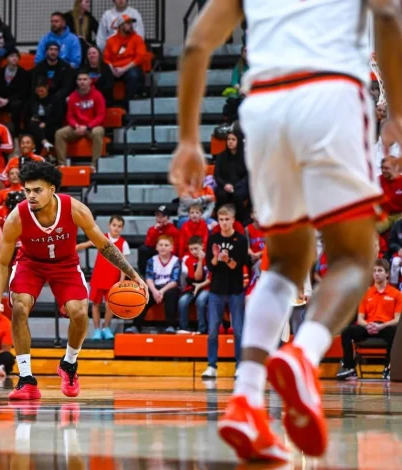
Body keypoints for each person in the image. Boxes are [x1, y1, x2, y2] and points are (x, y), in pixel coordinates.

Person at [170, 0, 402, 460]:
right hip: (331, 94)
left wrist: (188, 140)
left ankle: (246, 399)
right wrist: (396, 114)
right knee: (354, 259)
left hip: (265, 108)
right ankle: (303, 353)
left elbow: (196, 44)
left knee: (284, 264)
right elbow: (390, 17)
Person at [0, 161, 144, 400]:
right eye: (27, 191)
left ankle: (69, 364)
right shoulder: (16, 217)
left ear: (52, 190)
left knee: (80, 312)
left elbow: (104, 245)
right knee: (18, 306)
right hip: (31, 264)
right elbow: (1, 263)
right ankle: (26, 379)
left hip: (65, 264)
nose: (31, 196)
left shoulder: (75, 209)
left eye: (37, 190)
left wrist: (133, 275)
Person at [202, 205, 248, 378]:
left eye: (227, 219)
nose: (224, 223)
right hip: (216, 290)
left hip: (236, 289)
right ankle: (212, 365)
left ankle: (240, 366)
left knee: (238, 330)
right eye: (221, 220)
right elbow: (209, 266)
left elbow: (239, 265)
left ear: (233, 220)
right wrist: (215, 257)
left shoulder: (241, 240)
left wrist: (227, 259)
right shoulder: (213, 239)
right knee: (213, 330)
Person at [337, 259, 399, 381]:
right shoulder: (366, 294)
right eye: (374, 271)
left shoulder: (396, 294)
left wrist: (381, 326)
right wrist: (368, 325)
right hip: (368, 326)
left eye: (380, 271)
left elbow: (397, 319)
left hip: (385, 326)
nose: (376, 273)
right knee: (347, 332)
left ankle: (388, 368)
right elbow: (360, 319)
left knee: (394, 333)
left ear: (387, 274)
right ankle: (350, 368)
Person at [76, 215, 130, 340]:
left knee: (109, 305)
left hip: (113, 279)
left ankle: (106, 327)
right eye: (114, 225)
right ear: (109, 225)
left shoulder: (123, 243)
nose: (116, 228)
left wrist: (121, 281)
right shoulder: (102, 238)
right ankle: (97, 330)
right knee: (95, 304)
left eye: (119, 226)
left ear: (122, 228)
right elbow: (86, 244)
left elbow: (124, 266)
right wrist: (73, 248)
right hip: (99, 277)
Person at [126, 236, 181, 334]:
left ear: (171, 248)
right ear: (156, 247)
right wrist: (155, 291)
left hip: (168, 288)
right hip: (154, 287)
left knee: (171, 294)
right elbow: (149, 278)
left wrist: (161, 291)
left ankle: (170, 325)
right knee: (143, 295)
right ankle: (135, 326)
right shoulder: (152, 260)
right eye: (161, 245)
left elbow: (175, 281)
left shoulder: (176, 261)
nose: (163, 247)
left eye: (166, 245)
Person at [55, 70, 106, 170]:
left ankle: (94, 164)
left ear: (90, 81)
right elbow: (70, 116)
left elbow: (101, 116)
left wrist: (87, 127)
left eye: (84, 79)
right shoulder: (73, 96)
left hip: (93, 127)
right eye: (79, 79)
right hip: (77, 127)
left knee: (98, 133)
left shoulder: (97, 95)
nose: (82, 82)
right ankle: (62, 164)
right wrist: (76, 126)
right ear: (77, 82)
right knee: (59, 134)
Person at [103, 14, 151, 104]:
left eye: (131, 23)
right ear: (121, 26)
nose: (130, 25)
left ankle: (127, 104)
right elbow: (106, 58)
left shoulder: (137, 39)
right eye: (128, 23)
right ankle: (109, 103)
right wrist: (112, 69)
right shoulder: (111, 41)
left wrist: (123, 69)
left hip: (130, 68)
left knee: (133, 74)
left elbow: (140, 57)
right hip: (114, 69)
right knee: (104, 74)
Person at [213, 131, 250, 224]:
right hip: (224, 185)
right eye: (229, 139)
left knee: (238, 196)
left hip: (240, 186)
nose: (230, 142)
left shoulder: (245, 156)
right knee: (222, 195)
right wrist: (225, 185)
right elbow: (217, 175)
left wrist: (236, 185)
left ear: (239, 141)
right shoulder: (221, 156)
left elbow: (247, 175)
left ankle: (240, 222)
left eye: (233, 139)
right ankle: (222, 220)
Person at [0, 49, 30, 137]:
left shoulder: (23, 73)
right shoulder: (0, 72)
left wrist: (8, 100)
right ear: (6, 59)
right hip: (3, 99)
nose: (14, 58)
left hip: (16, 100)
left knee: (17, 106)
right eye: (12, 56)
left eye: (16, 56)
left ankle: (15, 134)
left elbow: (24, 93)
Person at [179, 236, 210, 334]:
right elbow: (196, 278)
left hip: (207, 287)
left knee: (200, 301)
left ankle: (202, 329)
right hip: (192, 286)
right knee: (182, 301)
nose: (194, 251)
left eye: (196, 248)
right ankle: (184, 328)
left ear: (203, 246)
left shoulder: (210, 257)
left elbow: (210, 278)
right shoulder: (187, 259)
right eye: (191, 249)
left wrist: (201, 260)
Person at [26, 77, 64, 154]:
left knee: (40, 132)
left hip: (50, 126)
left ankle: (40, 152)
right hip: (35, 126)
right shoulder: (32, 100)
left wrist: (46, 123)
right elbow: (26, 116)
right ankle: (44, 141)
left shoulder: (55, 100)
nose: (40, 93)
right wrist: (32, 118)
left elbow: (58, 116)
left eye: (42, 91)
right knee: (33, 126)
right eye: (38, 91)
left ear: (47, 88)